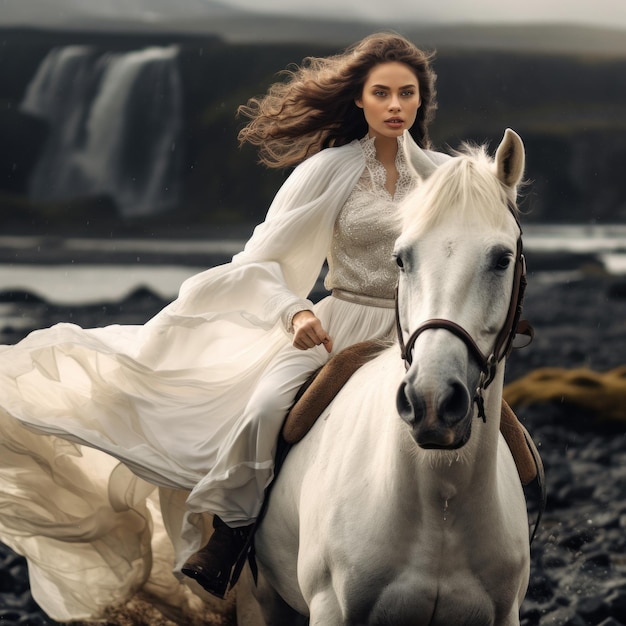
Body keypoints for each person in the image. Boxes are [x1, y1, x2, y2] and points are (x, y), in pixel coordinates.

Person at [0, 32, 452, 620]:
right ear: (360, 100)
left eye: (407, 94)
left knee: (498, 425)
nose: (395, 105)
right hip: (340, 325)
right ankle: (232, 539)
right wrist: (296, 311)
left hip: (424, 330)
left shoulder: (447, 176)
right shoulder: (328, 171)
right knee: (266, 407)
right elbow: (262, 260)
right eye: (382, 92)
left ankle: (514, 521)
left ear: (421, 102)